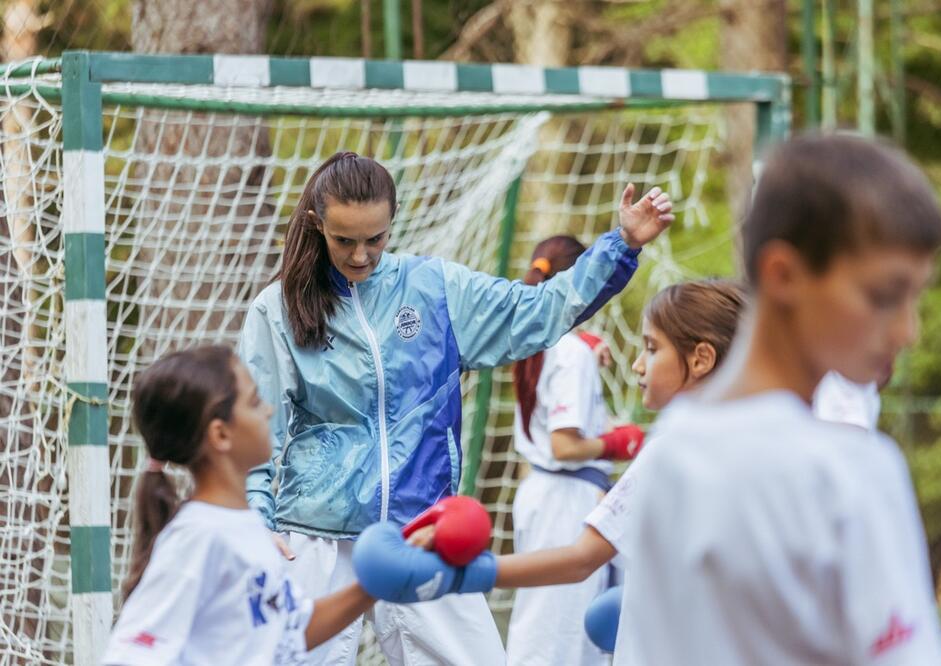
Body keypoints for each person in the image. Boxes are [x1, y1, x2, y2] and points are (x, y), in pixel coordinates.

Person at [238, 151, 673, 665]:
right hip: (317, 537)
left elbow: (537, 310)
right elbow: (253, 427)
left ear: (393, 220)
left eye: (375, 238)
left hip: (423, 531)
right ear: (317, 224)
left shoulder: (435, 289)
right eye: (344, 240)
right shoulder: (276, 308)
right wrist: (256, 521)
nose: (360, 255)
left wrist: (621, 244)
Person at [615, 134, 941, 664]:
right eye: (884, 295)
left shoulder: (666, 456)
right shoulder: (852, 470)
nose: (908, 330)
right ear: (784, 274)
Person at [102, 346, 374, 666]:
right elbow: (129, 656)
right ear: (220, 434)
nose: (268, 411)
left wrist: (376, 585)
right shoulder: (198, 537)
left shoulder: (247, 527)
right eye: (255, 402)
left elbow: (292, 629)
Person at [505, 236, 648, 666]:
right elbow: (564, 445)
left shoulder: (538, 338)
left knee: (539, 624)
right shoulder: (572, 352)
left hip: (542, 493)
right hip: (565, 500)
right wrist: (617, 443)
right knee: (560, 634)